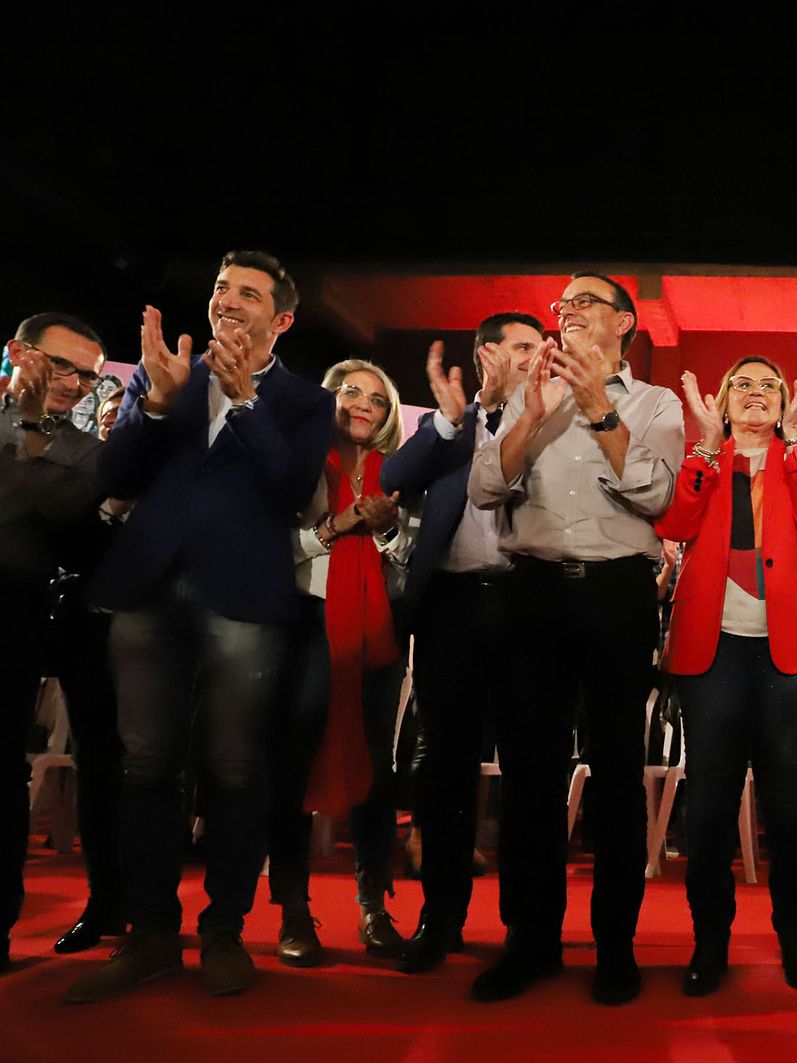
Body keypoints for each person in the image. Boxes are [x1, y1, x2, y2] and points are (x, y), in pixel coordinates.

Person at [67, 251, 334, 1003]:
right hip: (147, 588)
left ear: (281, 318)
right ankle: (149, 934)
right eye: (221, 287)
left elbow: (288, 490)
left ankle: (223, 930)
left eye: (248, 293)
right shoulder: (164, 374)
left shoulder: (307, 402)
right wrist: (154, 407)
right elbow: (113, 477)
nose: (227, 301)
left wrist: (247, 405)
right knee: (145, 764)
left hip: (244, 598)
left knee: (235, 768)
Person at [467, 273, 683, 1005]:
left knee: (617, 774)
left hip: (618, 592)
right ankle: (529, 942)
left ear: (624, 321)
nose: (568, 312)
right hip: (529, 589)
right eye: (563, 304)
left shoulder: (656, 403)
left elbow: (656, 494)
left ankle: (615, 947)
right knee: (529, 775)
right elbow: (484, 487)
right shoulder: (532, 390)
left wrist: (595, 406)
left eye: (585, 301)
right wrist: (530, 413)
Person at [656, 356, 797, 995]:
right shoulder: (706, 461)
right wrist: (707, 448)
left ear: (789, 400)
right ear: (723, 399)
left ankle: (795, 935)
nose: (758, 393)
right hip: (712, 651)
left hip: (789, 651)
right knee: (708, 807)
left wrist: (792, 444)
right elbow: (674, 524)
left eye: (772, 385)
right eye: (744, 383)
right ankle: (710, 943)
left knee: (792, 804)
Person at [381, 314, 543, 974]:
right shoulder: (448, 422)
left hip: (528, 602)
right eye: (525, 347)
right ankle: (440, 914)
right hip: (449, 604)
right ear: (487, 354)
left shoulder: (552, 421)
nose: (537, 358)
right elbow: (395, 472)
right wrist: (451, 424)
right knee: (443, 765)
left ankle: (526, 926)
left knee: (531, 767)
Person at [268, 360, 413, 967]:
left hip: (377, 631)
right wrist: (334, 528)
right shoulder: (299, 463)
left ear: (388, 417)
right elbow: (269, 547)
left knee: (375, 765)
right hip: (305, 626)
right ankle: (295, 910)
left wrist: (382, 533)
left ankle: (373, 906)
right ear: (325, 399)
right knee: (294, 764)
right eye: (349, 391)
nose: (362, 404)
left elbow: (409, 564)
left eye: (376, 399)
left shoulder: (401, 474)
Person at [0, 313, 109, 970]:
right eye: (61, 365)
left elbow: (40, 507)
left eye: (88, 374)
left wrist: (33, 423)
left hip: (16, 600)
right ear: (17, 352)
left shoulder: (86, 451)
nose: (74, 382)